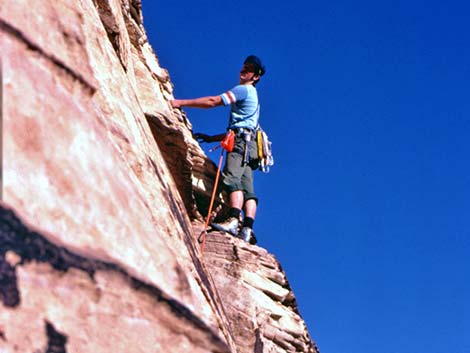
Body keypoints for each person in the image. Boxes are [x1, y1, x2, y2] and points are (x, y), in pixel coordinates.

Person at [171, 55, 266, 244]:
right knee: (248, 188)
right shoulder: (254, 97)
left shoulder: (244, 90)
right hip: (250, 145)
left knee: (232, 179)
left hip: (240, 142)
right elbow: (244, 126)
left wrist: (180, 102)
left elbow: (213, 101)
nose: (243, 71)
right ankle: (246, 229)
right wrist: (212, 138)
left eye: (248, 69)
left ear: (255, 77)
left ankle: (233, 220)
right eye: (243, 67)